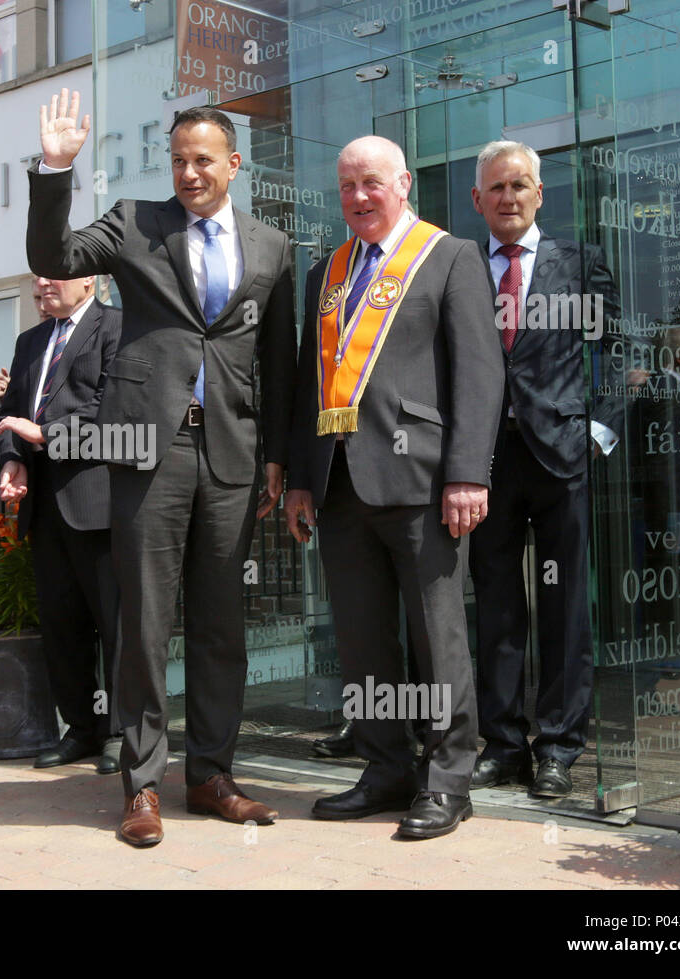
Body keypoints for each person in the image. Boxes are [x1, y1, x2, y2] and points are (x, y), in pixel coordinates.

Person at [29, 90, 296, 847]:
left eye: (202, 160)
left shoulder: (271, 246)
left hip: (233, 454)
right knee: (144, 624)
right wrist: (56, 169)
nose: (188, 173)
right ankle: (142, 782)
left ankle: (211, 774)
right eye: (178, 160)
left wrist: (277, 454)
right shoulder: (133, 223)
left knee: (221, 623)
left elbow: (280, 361)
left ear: (233, 164)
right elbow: (53, 257)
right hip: (149, 450)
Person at [284, 135, 504, 840]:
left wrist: (468, 472)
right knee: (362, 641)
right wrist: (296, 477)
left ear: (403, 183)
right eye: (347, 185)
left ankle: (447, 780)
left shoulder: (450, 257)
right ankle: (384, 768)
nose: (358, 197)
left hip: (422, 480)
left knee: (437, 640)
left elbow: (479, 374)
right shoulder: (327, 271)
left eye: (371, 183)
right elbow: (304, 382)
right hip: (340, 485)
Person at [467, 140, 624, 798]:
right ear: (478, 200)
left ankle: (558, 746)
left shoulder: (578, 264)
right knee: (497, 610)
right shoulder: (461, 266)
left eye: (520, 186)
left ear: (540, 194)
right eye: (496, 188)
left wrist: (599, 427)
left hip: (561, 457)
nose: (508, 197)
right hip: (485, 463)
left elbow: (613, 348)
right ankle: (503, 744)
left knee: (564, 610)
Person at [0, 274, 123, 773]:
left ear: (88, 280)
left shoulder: (116, 327)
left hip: (99, 502)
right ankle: (81, 729)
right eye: (37, 276)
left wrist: (45, 435)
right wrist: (13, 459)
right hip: (43, 507)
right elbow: (10, 414)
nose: (43, 284)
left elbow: (112, 409)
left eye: (55, 274)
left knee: (115, 625)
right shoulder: (31, 340)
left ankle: (119, 732)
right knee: (62, 626)